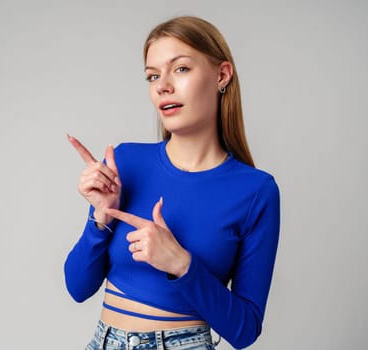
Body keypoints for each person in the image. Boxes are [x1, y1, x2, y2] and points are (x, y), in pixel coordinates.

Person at [64, 16, 280, 350]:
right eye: (153, 75)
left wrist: (180, 263)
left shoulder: (255, 191)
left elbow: (245, 330)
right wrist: (101, 219)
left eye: (180, 69)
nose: (163, 85)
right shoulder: (126, 161)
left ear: (222, 75)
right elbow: (78, 288)